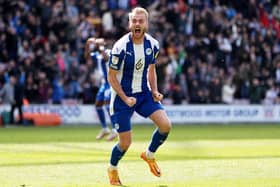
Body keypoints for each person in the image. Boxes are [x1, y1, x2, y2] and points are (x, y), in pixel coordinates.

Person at [107, 7, 172, 186]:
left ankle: (149, 154)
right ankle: (112, 168)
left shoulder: (153, 45)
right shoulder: (120, 47)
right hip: (122, 98)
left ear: (146, 24)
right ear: (130, 23)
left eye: (140, 21)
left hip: (143, 94)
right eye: (134, 21)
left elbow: (152, 71)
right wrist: (125, 97)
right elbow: (111, 77)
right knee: (125, 143)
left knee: (165, 125)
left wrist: (155, 91)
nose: (137, 24)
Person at [85, 37, 118, 141]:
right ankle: (105, 128)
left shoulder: (109, 52)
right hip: (104, 83)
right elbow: (87, 58)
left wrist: (100, 47)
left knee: (108, 105)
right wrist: (87, 45)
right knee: (98, 105)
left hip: (111, 82)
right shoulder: (97, 55)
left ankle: (115, 130)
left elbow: (107, 59)